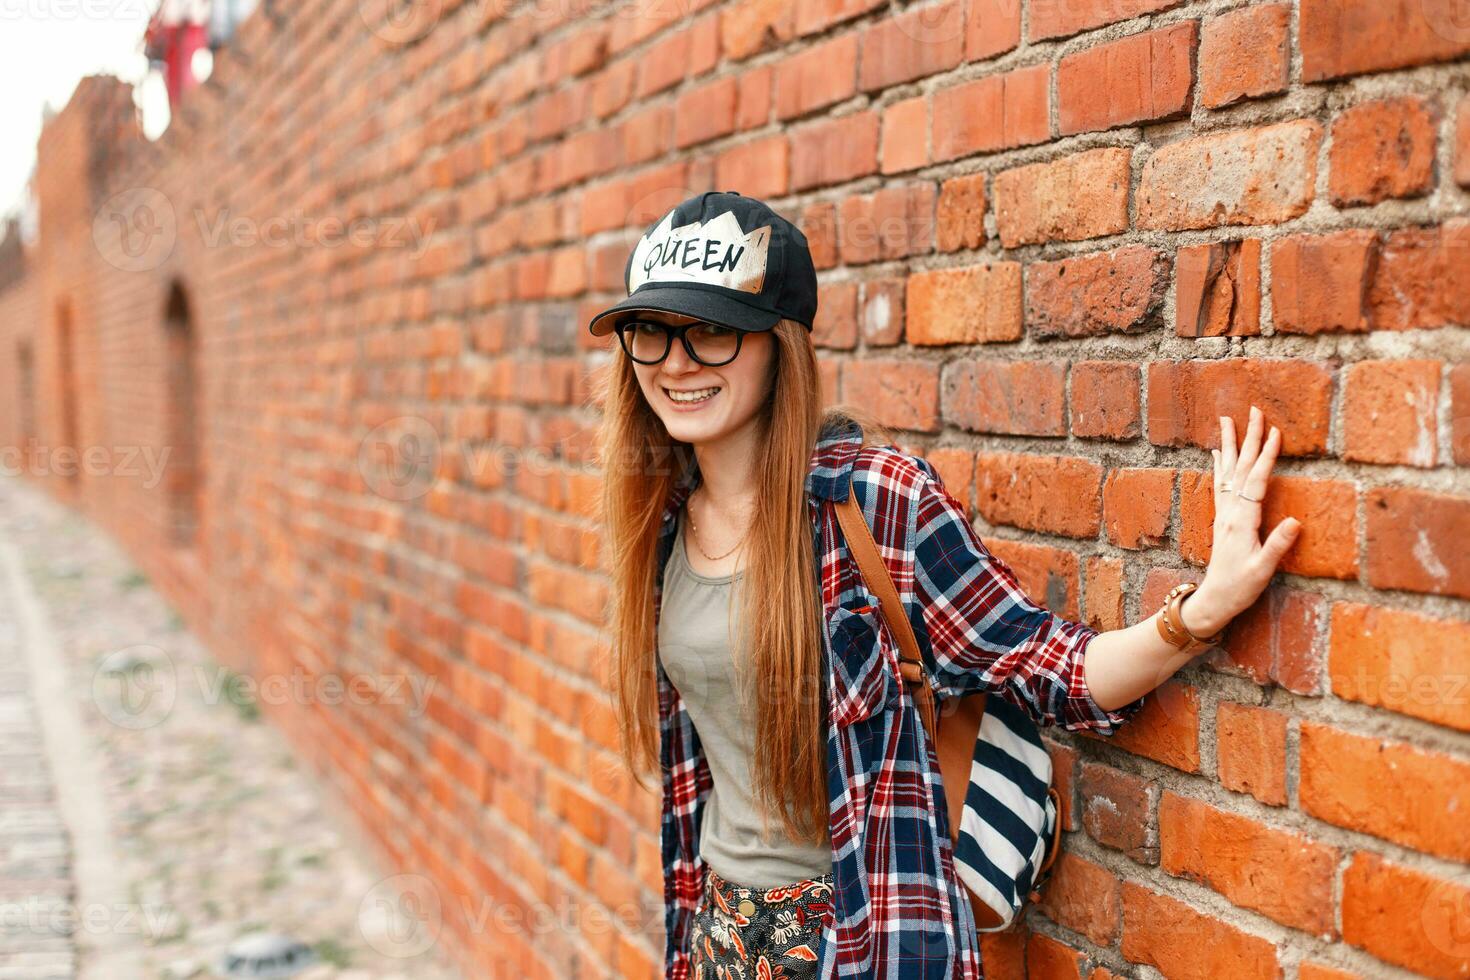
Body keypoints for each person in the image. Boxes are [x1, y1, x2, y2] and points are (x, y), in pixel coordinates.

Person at [587, 191, 1302, 979]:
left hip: (859, 938)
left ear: (777, 346)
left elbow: (1050, 667)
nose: (677, 363)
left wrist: (1206, 608)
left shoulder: (875, 502)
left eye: (713, 331)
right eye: (650, 333)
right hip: (719, 936)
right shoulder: (660, 525)